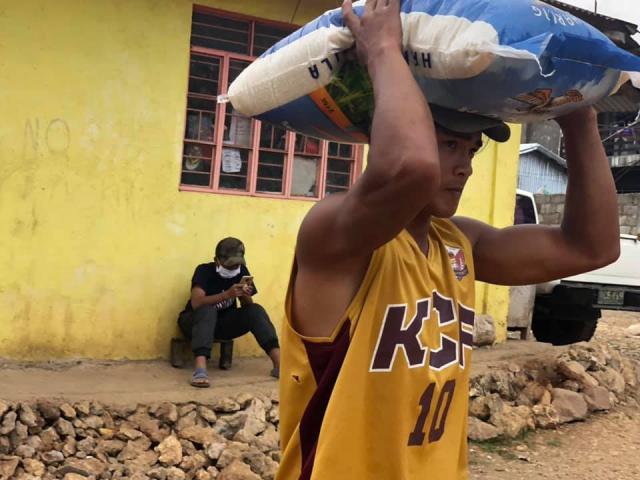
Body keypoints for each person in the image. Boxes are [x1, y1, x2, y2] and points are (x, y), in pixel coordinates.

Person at [276, 1, 620, 479]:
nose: (465, 166)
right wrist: (382, 52)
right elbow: (409, 169)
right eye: (449, 144)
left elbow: (593, 247)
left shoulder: (458, 244)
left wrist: (577, 115)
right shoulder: (336, 236)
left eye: (472, 149)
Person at [178, 237, 280, 387]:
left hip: (223, 324)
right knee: (208, 311)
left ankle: (279, 364)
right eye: (230, 265)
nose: (234, 268)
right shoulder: (204, 271)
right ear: (217, 260)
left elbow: (247, 307)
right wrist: (226, 295)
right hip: (194, 323)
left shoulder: (242, 272)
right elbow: (196, 303)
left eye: (237, 264)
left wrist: (244, 294)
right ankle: (200, 370)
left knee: (255, 311)